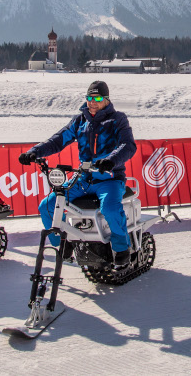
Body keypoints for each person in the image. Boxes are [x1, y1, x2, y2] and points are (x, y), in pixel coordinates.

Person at [18, 80, 137, 266]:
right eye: (89, 97)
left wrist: (111, 161)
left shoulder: (117, 120)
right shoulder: (80, 121)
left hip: (109, 179)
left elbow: (127, 145)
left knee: (110, 209)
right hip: (82, 179)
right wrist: (35, 152)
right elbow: (57, 140)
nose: (92, 102)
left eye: (97, 98)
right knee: (47, 206)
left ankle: (122, 247)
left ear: (106, 99)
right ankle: (63, 244)